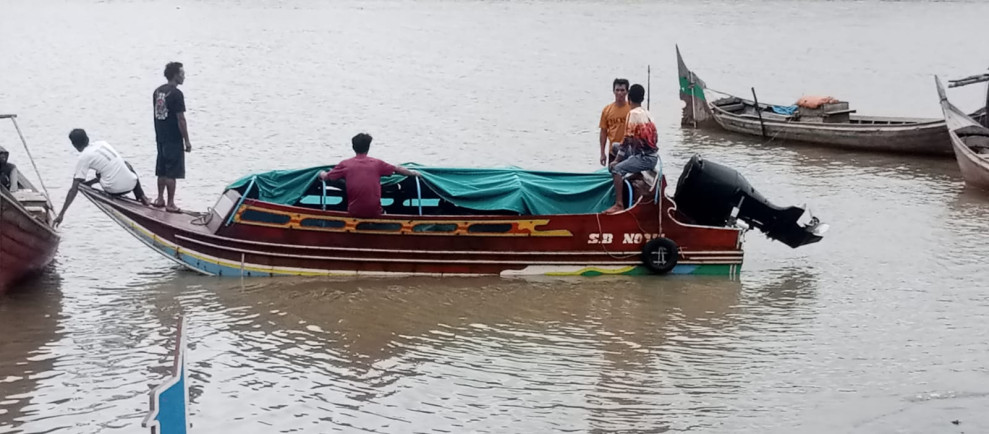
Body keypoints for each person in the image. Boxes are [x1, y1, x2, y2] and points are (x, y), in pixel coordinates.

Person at [53, 129, 151, 227]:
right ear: (87, 138)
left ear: (74, 145)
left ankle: (115, 188)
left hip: (115, 190)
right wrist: (91, 182)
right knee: (126, 164)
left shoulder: (83, 157)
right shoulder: (102, 143)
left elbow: (73, 189)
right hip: (133, 183)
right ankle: (142, 196)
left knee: (80, 183)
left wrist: (61, 214)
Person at [318, 133, 421, 218]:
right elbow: (398, 169)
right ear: (368, 148)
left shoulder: (345, 164)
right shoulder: (377, 164)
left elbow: (326, 177)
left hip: (354, 212)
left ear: (353, 147)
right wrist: (413, 173)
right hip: (375, 212)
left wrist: (321, 173)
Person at [603, 84, 659, 214]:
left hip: (645, 158)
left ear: (629, 98)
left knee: (617, 169)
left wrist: (616, 161)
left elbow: (626, 141)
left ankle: (619, 204)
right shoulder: (647, 113)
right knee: (615, 146)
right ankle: (635, 171)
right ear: (642, 99)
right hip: (649, 155)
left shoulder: (632, 114)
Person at [152, 61, 192, 213]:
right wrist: (186, 140)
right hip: (173, 138)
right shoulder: (176, 94)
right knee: (171, 172)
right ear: (175, 75)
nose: (184, 76)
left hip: (160, 136)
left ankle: (159, 199)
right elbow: (181, 119)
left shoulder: (157, 92)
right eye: (182, 74)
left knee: (161, 169)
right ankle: (170, 203)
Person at [599, 78, 631, 166]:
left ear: (627, 92)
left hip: (629, 151)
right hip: (613, 151)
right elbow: (603, 132)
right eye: (617, 90)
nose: (619, 93)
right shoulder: (607, 110)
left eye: (622, 90)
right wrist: (602, 153)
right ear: (613, 91)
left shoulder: (632, 109)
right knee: (614, 172)